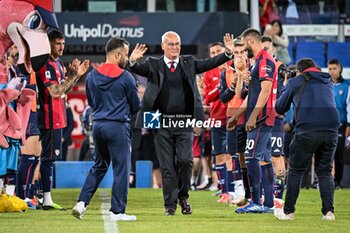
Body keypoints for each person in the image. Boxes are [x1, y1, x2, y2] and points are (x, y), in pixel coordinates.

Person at [129, 31, 234, 215]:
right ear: (163, 46)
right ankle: (170, 205)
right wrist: (132, 61)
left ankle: (183, 197)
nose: (175, 47)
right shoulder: (153, 64)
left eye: (177, 44)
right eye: (170, 44)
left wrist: (227, 54)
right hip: (160, 123)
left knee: (186, 161)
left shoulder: (189, 62)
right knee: (167, 165)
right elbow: (137, 69)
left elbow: (209, 63)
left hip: (184, 122)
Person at [72, 37, 140, 221]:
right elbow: (135, 105)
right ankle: (117, 212)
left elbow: (91, 103)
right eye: (125, 55)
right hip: (118, 127)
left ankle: (81, 203)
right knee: (121, 170)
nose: (127, 58)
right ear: (118, 54)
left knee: (99, 166)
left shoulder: (92, 76)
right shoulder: (126, 77)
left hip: (98, 126)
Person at [274, 58, 339, 221]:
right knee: (324, 171)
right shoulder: (327, 80)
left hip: (307, 130)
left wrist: (286, 84)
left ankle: (288, 212)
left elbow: (279, 107)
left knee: (296, 171)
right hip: (331, 130)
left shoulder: (297, 81)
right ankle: (329, 213)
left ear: (299, 71)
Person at [36, 29, 89, 210]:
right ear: (49, 43)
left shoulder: (57, 64)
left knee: (49, 158)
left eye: (63, 43)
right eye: (58, 43)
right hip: (49, 118)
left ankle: (44, 197)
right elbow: (54, 92)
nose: (61, 47)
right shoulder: (46, 64)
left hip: (58, 117)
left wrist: (75, 75)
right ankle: (45, 199)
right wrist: (73, 77)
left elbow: (64, 91)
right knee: (47, 158)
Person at [227, 28, 277, 213]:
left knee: (251, 157)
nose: (243, 49)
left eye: (244, 45)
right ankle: (269, 204)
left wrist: (253, 116)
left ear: (251, 42)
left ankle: (256, 202)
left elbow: (265, 91)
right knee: (263, 159)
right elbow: (251, 96)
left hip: (261, 118)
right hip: (259, 116)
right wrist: (236, 116)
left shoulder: (265, 61)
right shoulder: (257, 63)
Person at [327, 59, 350, 190]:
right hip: (326, 125)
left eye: (334, 68)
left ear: (340, 69)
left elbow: (349, 106)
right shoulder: (325, 85)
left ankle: (337, 182)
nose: (332, 71)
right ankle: (324, 180)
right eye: (330, 69)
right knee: (325, 153)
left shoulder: (347, 86)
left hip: (341, 125)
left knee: (339, 154)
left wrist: (349, 125)